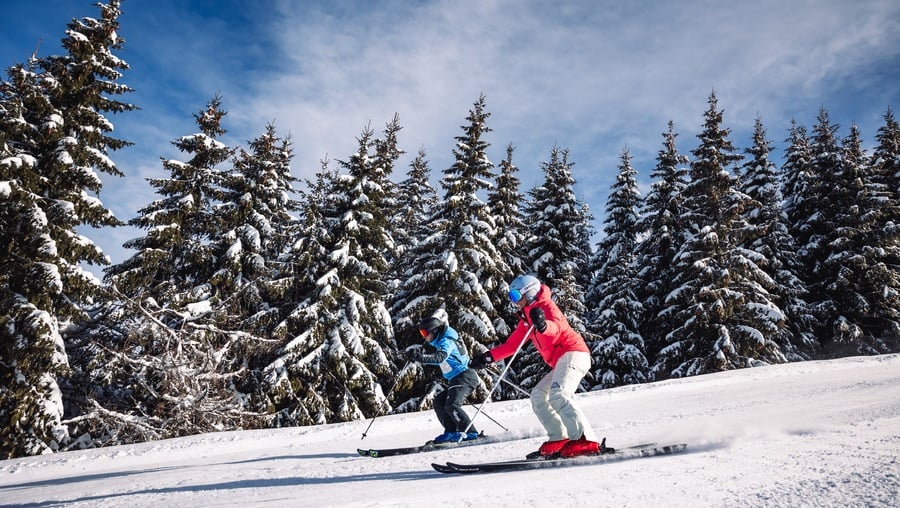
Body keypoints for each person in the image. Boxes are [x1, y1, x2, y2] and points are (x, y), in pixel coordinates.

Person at [469, 274, 601, 458]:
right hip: (561, 361)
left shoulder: (546, 307)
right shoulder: (527, 318)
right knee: (538, 396)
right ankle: (559, 438)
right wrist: (487, 358)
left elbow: (556, 328)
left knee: (559, 394)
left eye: (515, 296)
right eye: (510, 297)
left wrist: (543, 325)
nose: (513, 301)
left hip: (574, 353)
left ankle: (585, 440)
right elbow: (511, 346)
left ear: (528, 293)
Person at [405, 308, 481, 444]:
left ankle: (470, 432)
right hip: (457, 378)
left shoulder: (447, 341)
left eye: (425, 333)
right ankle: (451, 431)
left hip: (465, 376)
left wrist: (419, 357)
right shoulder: (440, 342)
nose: (424, 336)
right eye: (422, 333)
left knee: (452, 405)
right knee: (439, 402)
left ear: (434, 331)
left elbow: (440, 357)